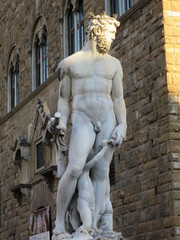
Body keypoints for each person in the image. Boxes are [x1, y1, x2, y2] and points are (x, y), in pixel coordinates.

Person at [52, 13, 127, 238]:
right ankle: (59, 224)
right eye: (109, 33)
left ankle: (92, 226)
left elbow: (118, 99)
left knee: (102, 173)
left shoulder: (114, 64)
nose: (112, 38)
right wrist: (61, 121)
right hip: (83, 118)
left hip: (107, 118)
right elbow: (64, 100)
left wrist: (123, 124)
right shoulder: (70, 63)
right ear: (96, 31)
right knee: (75, 168)